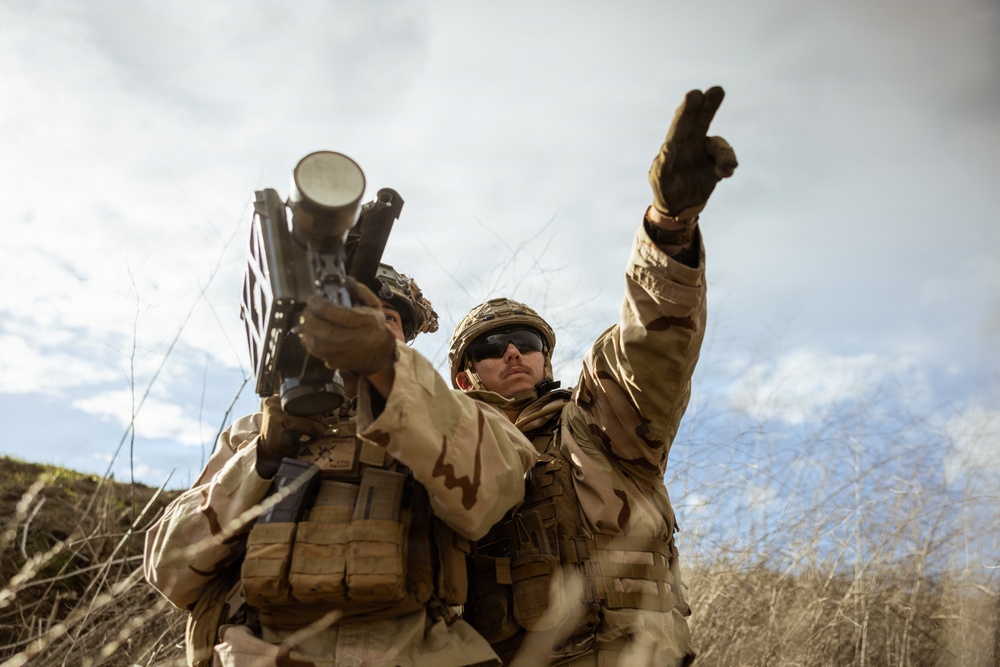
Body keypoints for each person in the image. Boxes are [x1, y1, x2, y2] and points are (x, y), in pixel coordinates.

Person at [450, 87, 738, 666]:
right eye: (491, 347)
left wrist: (669, 228)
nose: (513, 352)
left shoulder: (596, 425)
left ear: (547, 361)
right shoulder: (444, 456)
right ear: (463, 377)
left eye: (529, 343)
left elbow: (648, 350)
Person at [144, 263, 538, 667]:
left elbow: (497, 493)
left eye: (387, 318)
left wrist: (391, 378)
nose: (367, 324)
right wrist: (262, 457)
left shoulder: (461, 418)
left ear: (404, 339)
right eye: (350, 311)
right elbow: (169, 570)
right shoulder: (252, 433)